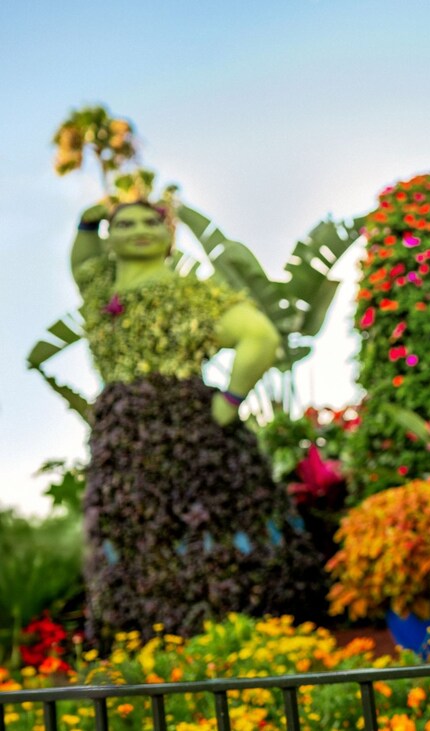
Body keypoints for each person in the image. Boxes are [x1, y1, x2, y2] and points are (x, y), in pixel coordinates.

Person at [71, 201, 318, 643]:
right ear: (110, 236)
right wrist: (88, 220)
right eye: (125, 223)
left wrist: (230, 400)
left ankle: (227, 631)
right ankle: (142, 636)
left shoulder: (188, 293)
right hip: (121, 435)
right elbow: (83, 259)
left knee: (205, 524)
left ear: (169, 236)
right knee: (130, 528)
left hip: (188, 429)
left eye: (152, 221)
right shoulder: (99, 289)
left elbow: (259, 335)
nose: (140, 229)